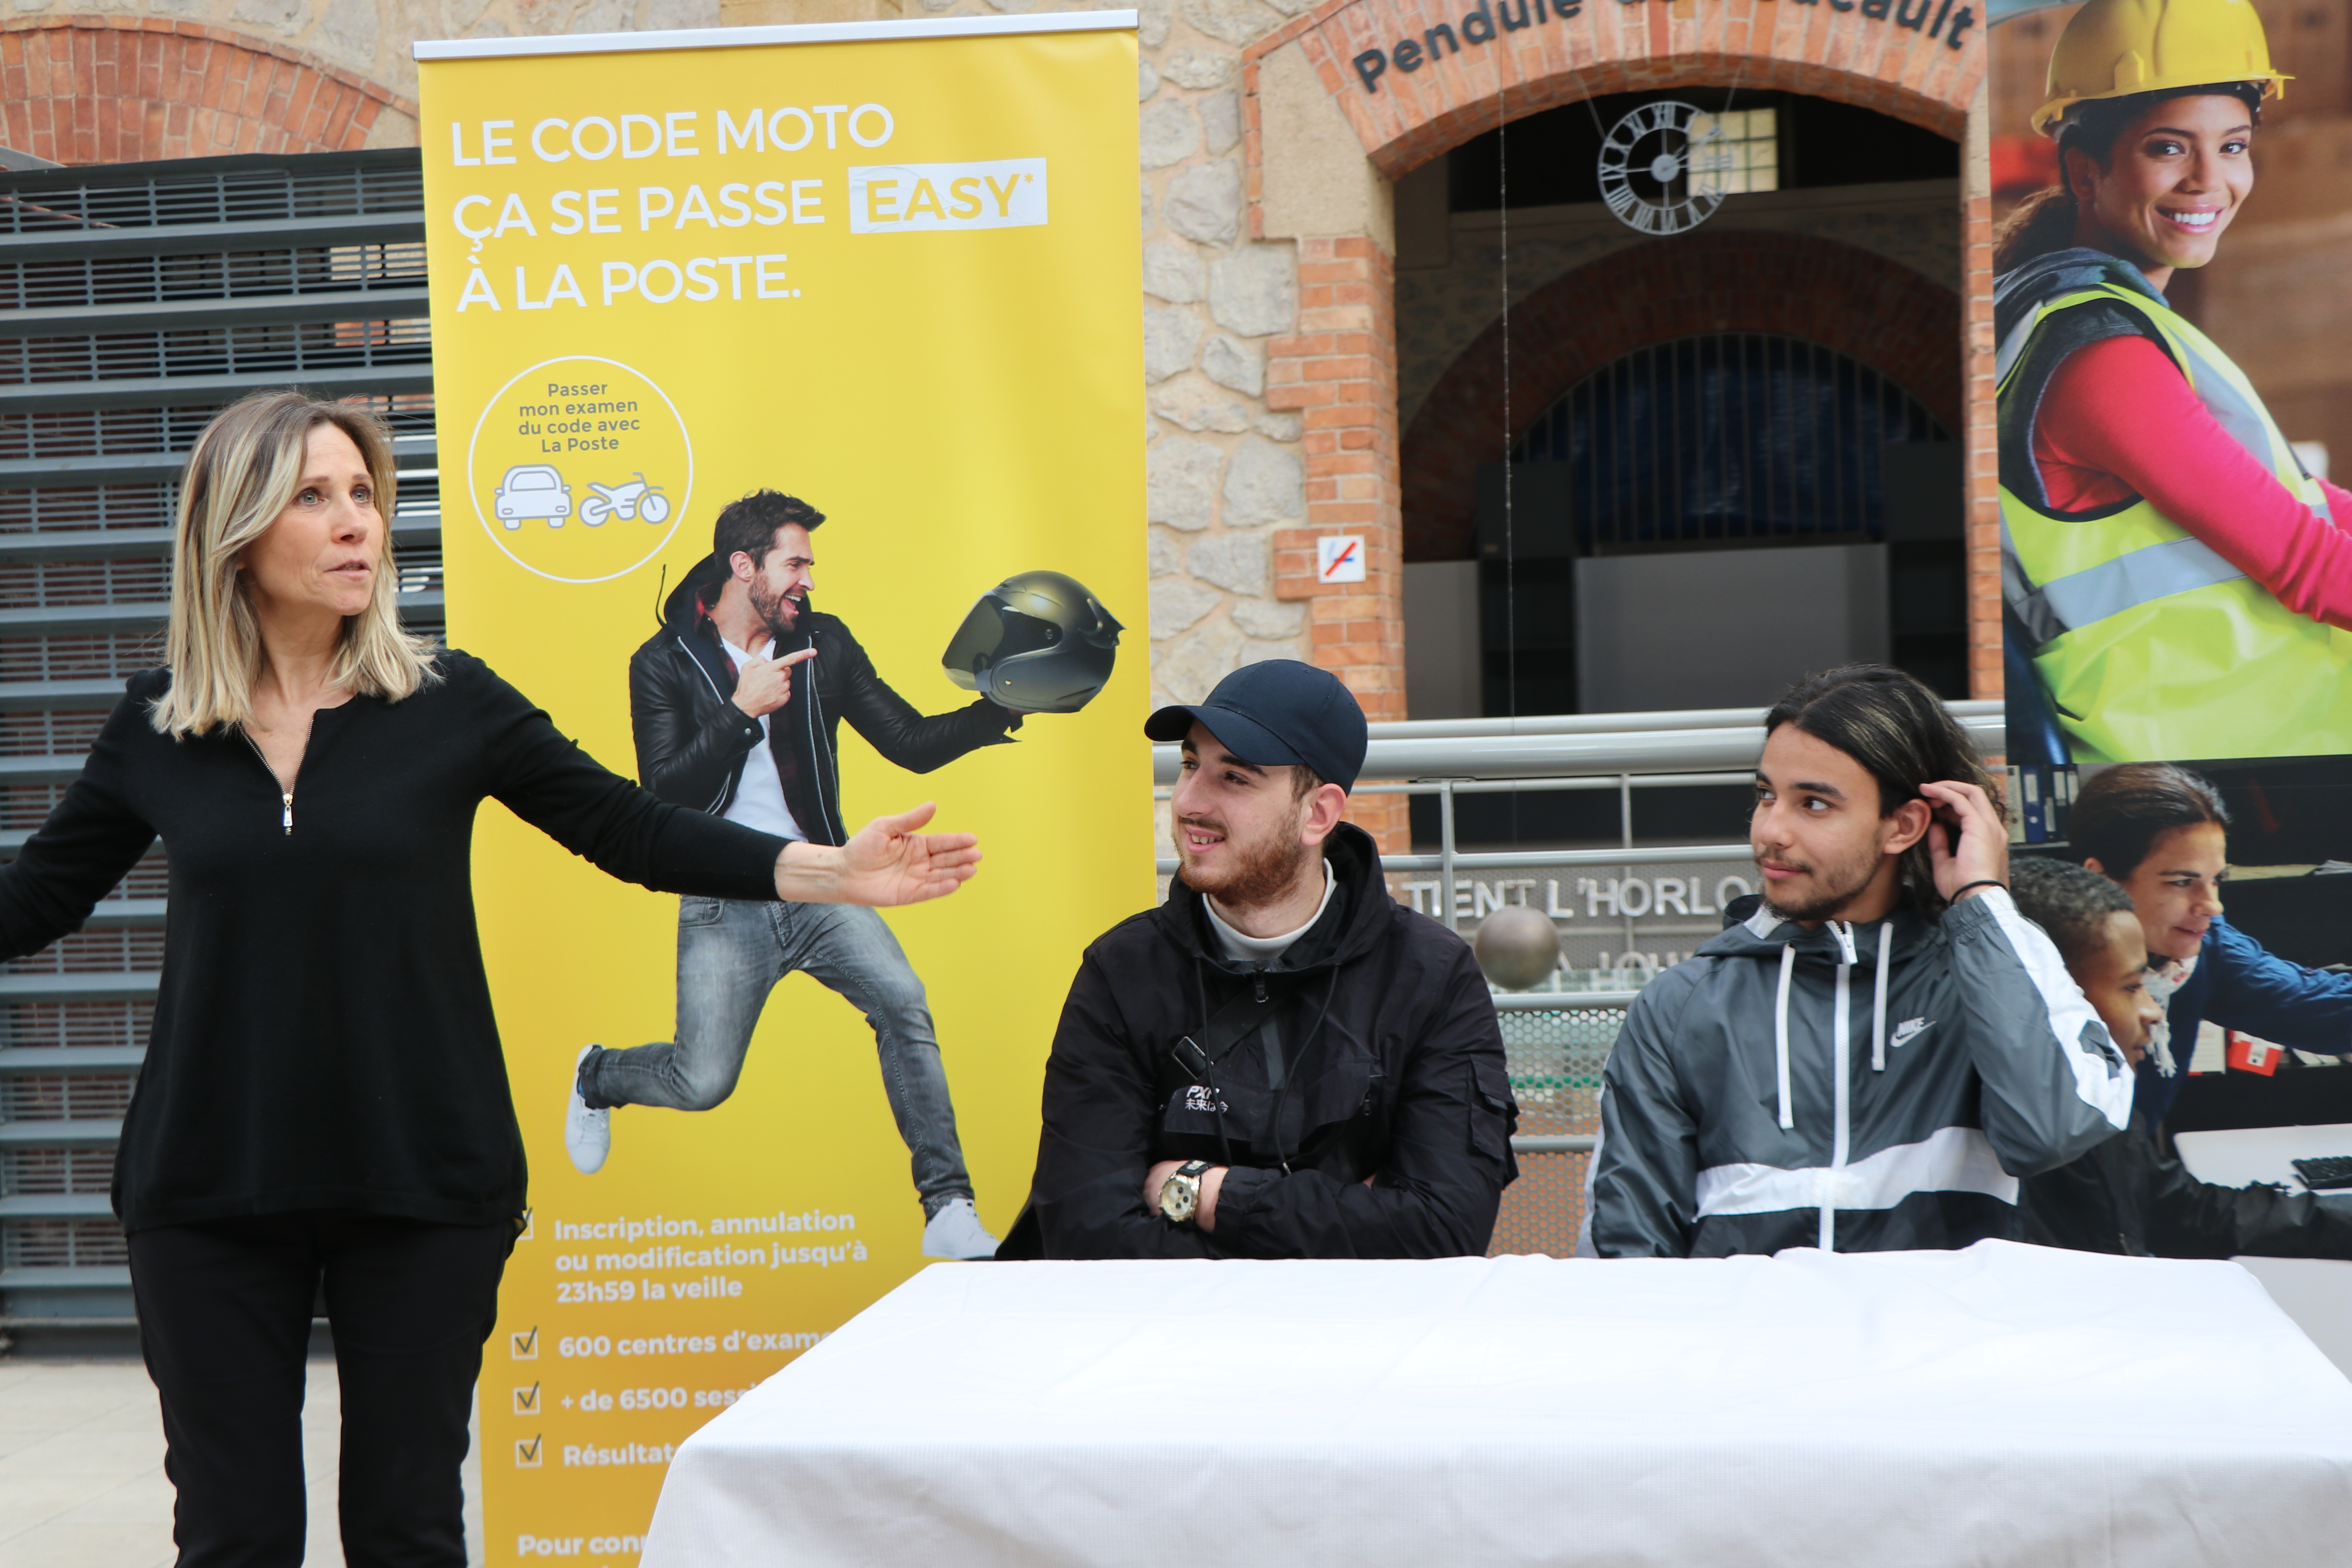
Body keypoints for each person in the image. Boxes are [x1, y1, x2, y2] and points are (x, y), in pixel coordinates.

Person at [3, 392, 978, 1567]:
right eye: (316, 496)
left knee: (408, 1531)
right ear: (238, 530)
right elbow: (34, 905)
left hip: (423, 1178)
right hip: (211, 1183)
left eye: (364, 493)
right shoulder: (158, 727)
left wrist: (828, 871)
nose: (356, 521)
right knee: (232, 1534)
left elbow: (632, 829)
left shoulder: (450, 702)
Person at [564, 490, 1025, 1260]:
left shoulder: (825, 642)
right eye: (796, 562)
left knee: (904, 1004)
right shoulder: (662, 662)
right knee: (701, 1080)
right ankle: (599, 1074)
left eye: (810, 564)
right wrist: (741, 712)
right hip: (723, 893)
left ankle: (948, 1208)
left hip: (821, 877)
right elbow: (661, 798)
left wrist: (1003, 706)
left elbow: (907, 739)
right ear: (744, 566)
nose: (808, 579)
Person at [1586, 665, 2134, 1259]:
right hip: (1749, 1351)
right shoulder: (1682, 1004)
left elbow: (2056, 1129)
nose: (1771, 830)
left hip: (1942, 1349)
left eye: (1813, 804)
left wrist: (1981, 900)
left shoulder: (1987, 981)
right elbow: (1626, 1249)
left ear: (1903, 825)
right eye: (1766, 795)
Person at [996, 660, 1518, 1260]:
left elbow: (1444, 1230)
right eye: (1191, 764)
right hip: (1170, 1346)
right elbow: (1087, 1234)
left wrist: (1202, 1192)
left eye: (1235, 778)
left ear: (1318, 814)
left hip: (1364, 1344)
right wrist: (1346, 1222)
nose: (1190, 801)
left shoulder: (1430, 976)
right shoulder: (1122, 971)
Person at [1994, 0, 2352, 765]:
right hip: (2230, 773)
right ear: (2085, 169)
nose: (2209, 180)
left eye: (2233, 146)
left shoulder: (2091, 316)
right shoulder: (2098, 356)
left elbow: (2309, 506)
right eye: (2168, 148)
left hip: (2245, 757)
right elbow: (2312, 566)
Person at [2008, 856, 2352, 1258]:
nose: (2153, 1010)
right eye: (2132, 987)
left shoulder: (2093, 1096)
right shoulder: (2003, 1162)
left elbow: (2179, 1209)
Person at [2069, 762, 2352, 1127]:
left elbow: (2319, 1010)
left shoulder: (2205, 948)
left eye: (2217, 880)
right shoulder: (2036, 965)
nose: (2212, 906)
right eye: (2182, 882)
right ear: (2101, 879)